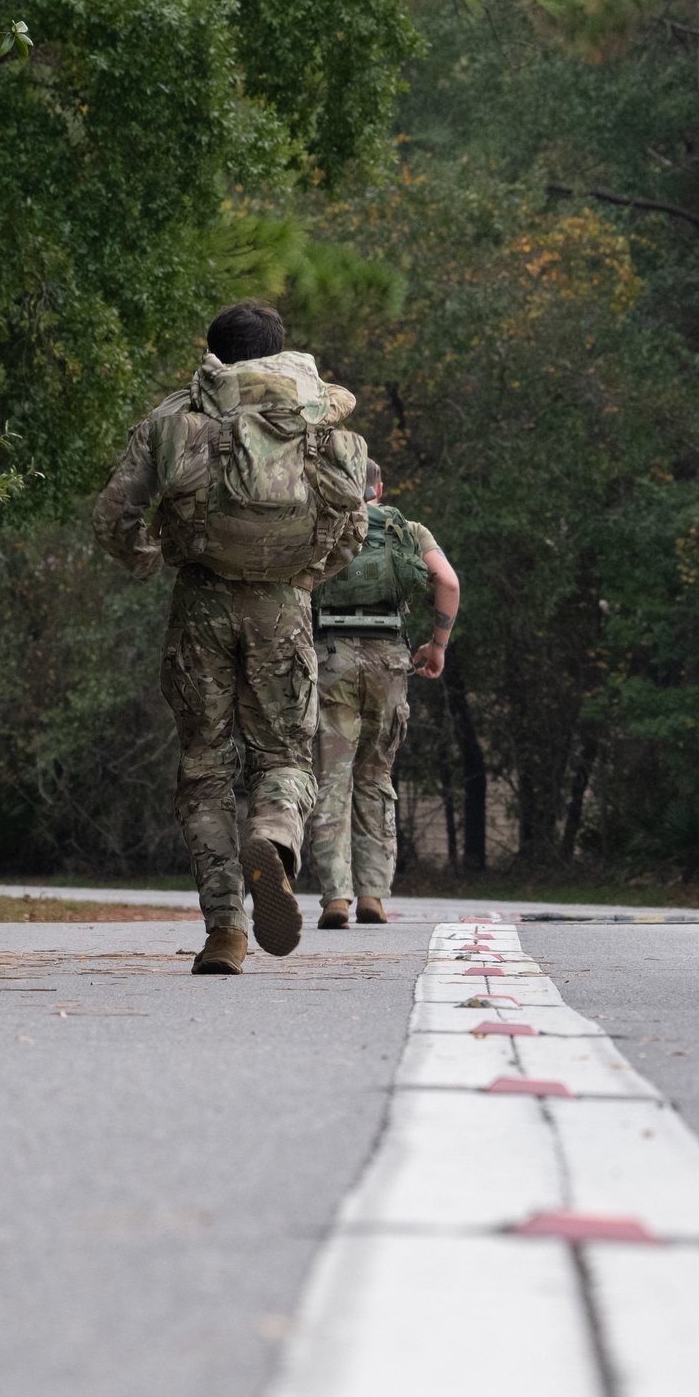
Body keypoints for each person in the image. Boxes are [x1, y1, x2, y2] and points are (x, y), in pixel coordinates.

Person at [93, 300, 367, 974]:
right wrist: (305, 575)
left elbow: (113, 517)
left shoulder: (174, 419)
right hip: (283, 605)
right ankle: (273, 837)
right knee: (285, 756)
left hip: (202, 605)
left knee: (204, 767)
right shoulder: (320, 423)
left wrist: (148, 558)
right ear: (280, 354)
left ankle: (225, 931)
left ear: (214, 352)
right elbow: (355, 525)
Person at [307, 459, 460, 927]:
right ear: (380, 487)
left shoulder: (322, 523)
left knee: (333, 778)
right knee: (375, 775)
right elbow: (448, 582)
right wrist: (437, 645)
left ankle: (336, 896)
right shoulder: (407, 529)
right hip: (389, 660)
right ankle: (373, 893)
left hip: (332, 657)